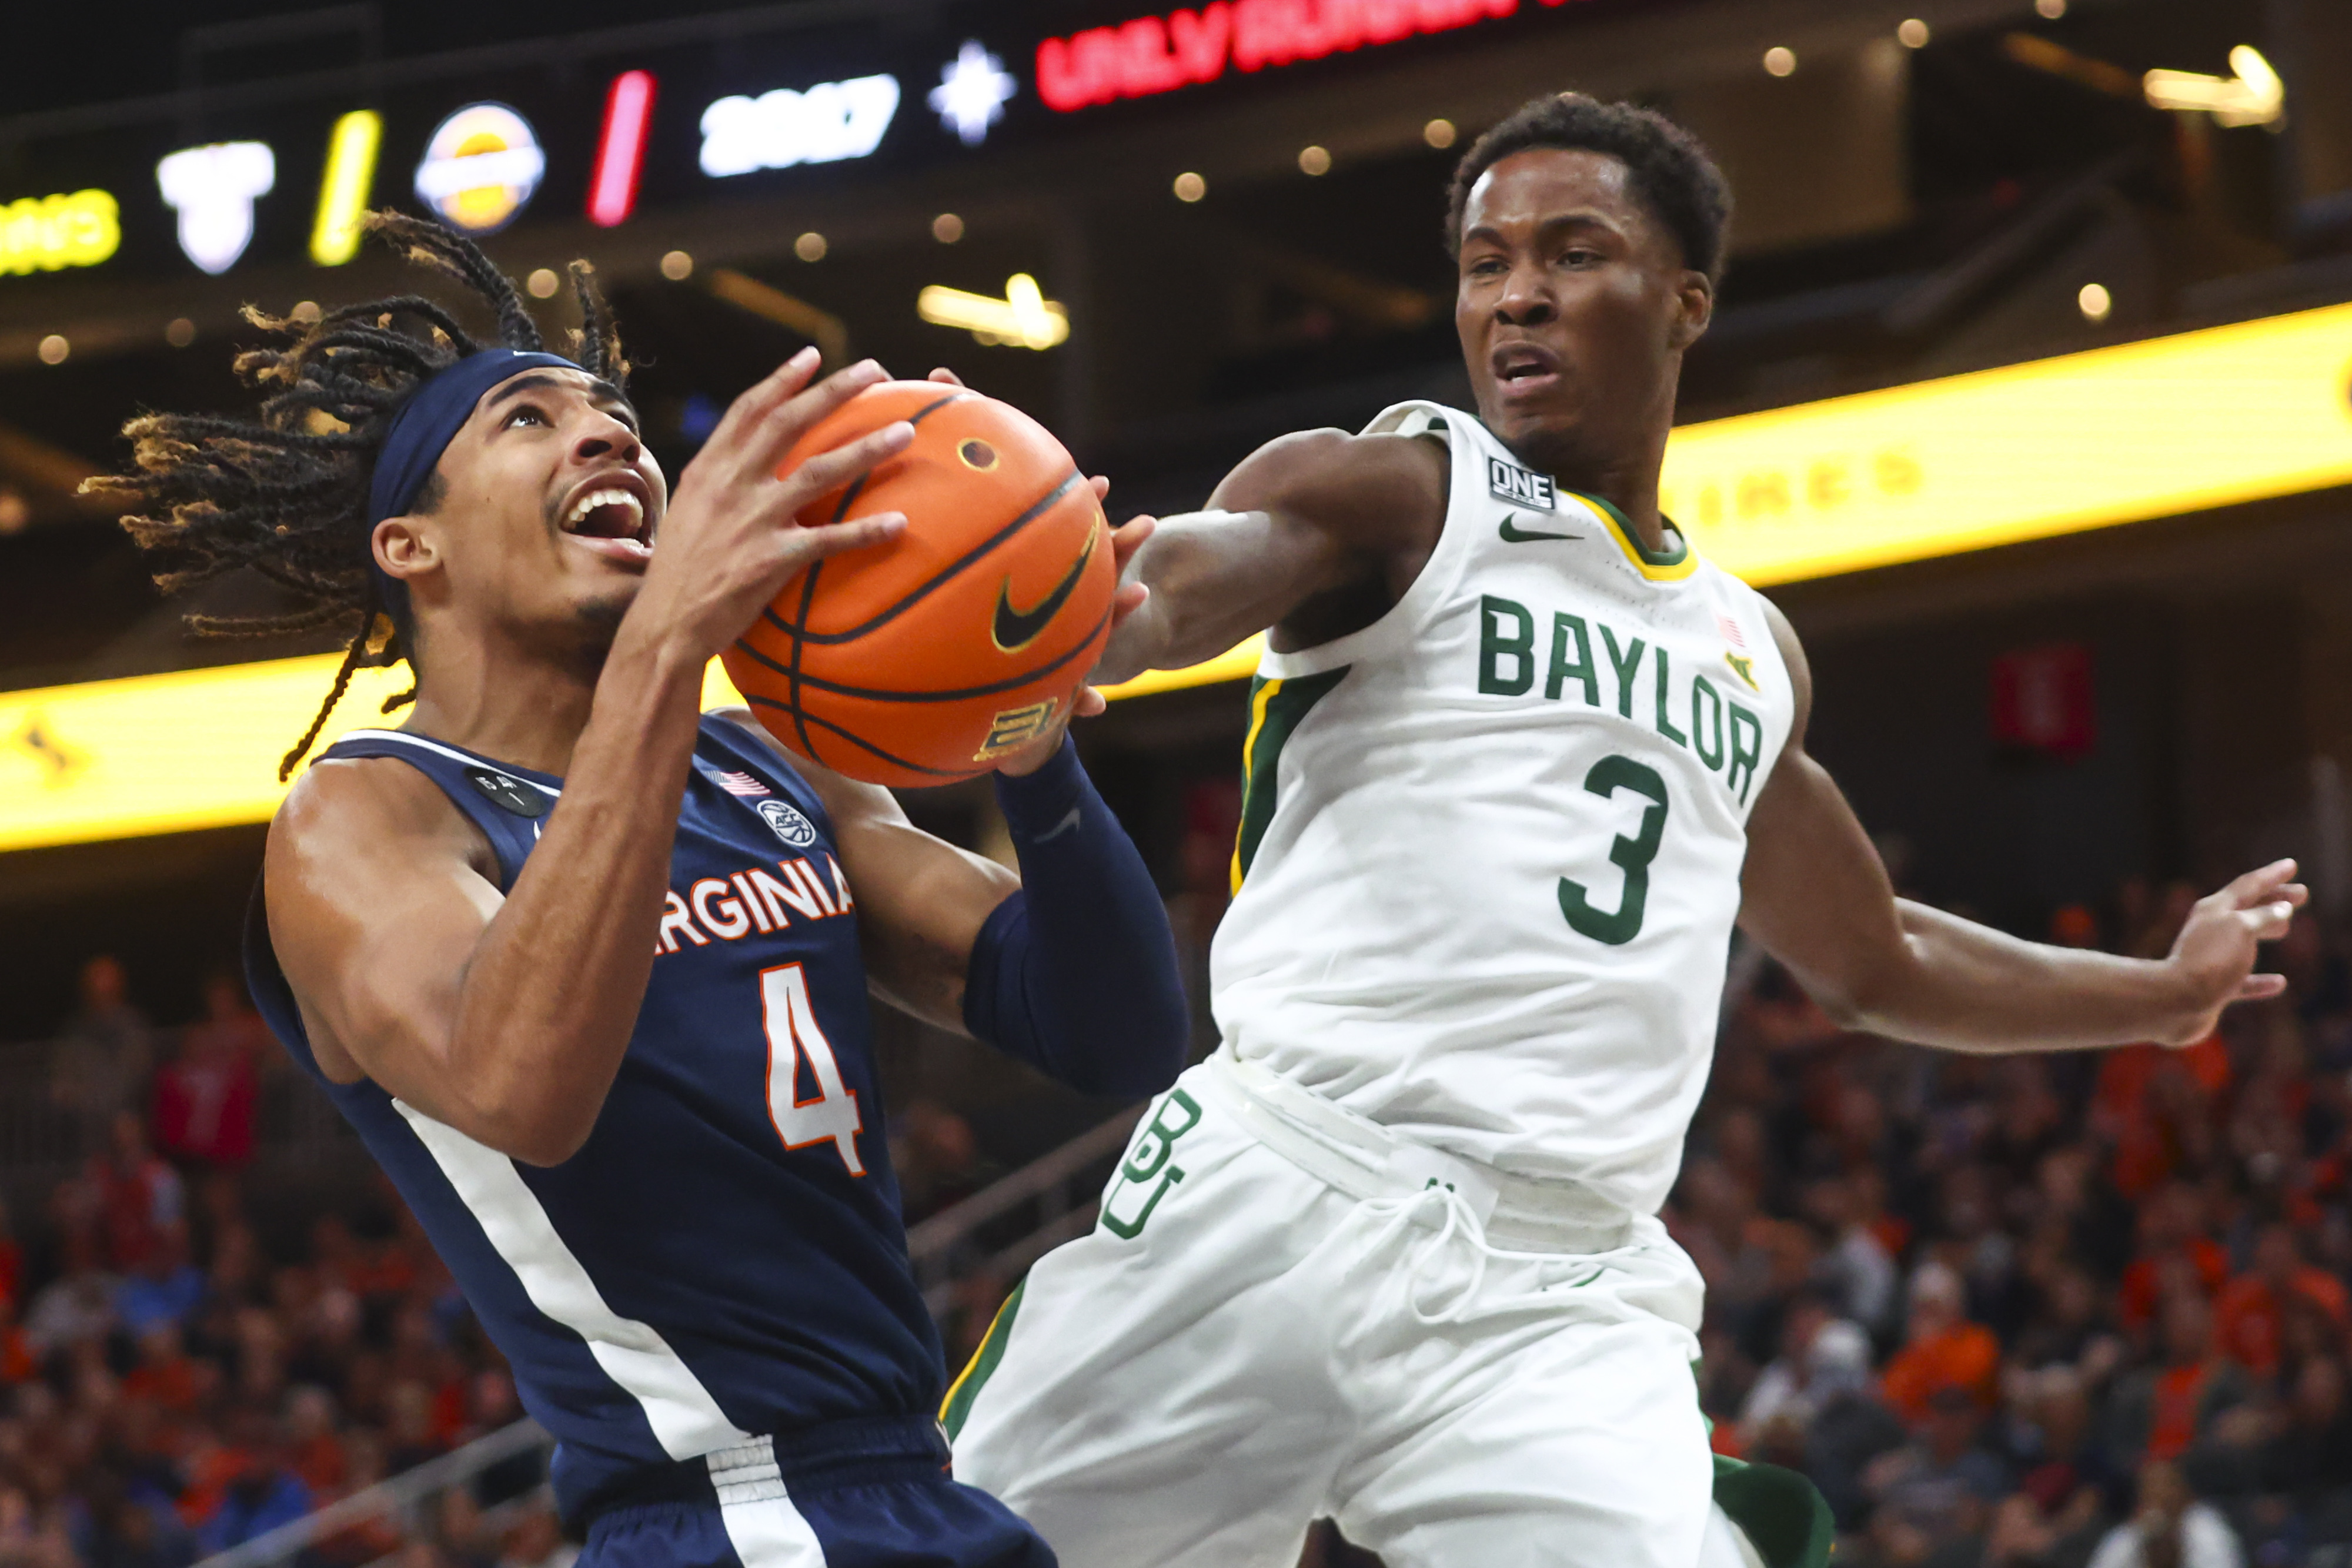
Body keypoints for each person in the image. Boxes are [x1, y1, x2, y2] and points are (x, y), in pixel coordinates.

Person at [943, 93, 2306, 1568]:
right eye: (1484, 262)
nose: (1514, 291)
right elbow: (1199, 582)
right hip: (1282, 1191)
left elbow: (1875, 952)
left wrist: (2162, 996)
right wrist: (1095, 611)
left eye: (1571, 251)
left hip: (1558, 1292)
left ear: (1683, 300)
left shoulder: (1745, 648)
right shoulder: (1404, 490)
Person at [88, 213, 1189, 1567]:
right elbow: (517, 1083)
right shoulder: (365, 813)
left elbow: (1110, 1027)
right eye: (526, 421)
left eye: (615, 414)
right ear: (409, 547)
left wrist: (1025, 723)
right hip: (720, 1511)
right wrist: (668, 652)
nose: (606, 436)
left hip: (909, 1481)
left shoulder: (761, 765)